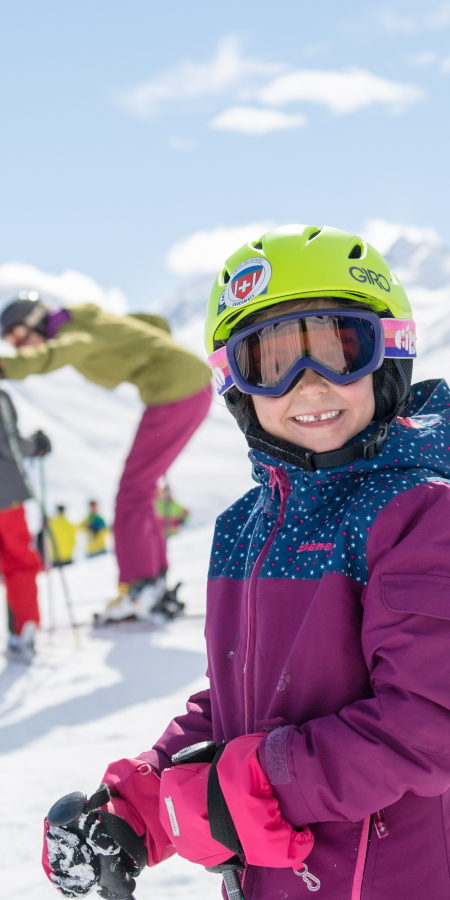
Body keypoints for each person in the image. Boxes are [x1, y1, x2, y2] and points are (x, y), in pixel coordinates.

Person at [43, 224, 450, 899]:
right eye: (273, 362)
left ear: (389, 353)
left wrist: (241, 790)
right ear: (237, 384)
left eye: (338, 348)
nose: (309, 384)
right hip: (273, 880)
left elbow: (427, 724)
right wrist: (149, 796)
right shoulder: (244, 527)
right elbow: (244, 697)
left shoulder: (419, 513)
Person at [0, 296, 212, 622]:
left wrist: (6, 366)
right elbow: (153, 324)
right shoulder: (90, 322)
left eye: (18, 336)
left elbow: (57, 352)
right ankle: (151, 582)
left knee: (132, 492)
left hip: (176, 390)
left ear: (36, 319)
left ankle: (140, 588)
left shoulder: (74, 331)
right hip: (186, 386)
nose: (19, 347)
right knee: (142, 488)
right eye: (11, 344)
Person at [0, 386, 51, 662]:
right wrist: (37, 445)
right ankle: (24, 628)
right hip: (5, 497)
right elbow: (10, 444)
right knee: (18, 562)